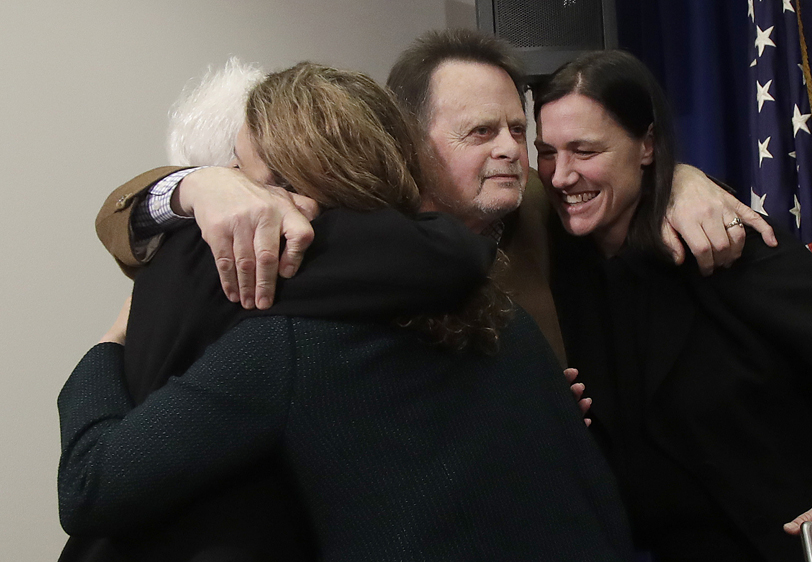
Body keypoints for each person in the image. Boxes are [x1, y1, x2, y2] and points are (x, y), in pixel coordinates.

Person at [59, 63, 633, 561]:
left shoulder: (287, 347)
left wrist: (109, 344)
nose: (232, 188)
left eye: (242, 174)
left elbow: (91, 485)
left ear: (290, 195)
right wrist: (196, 186)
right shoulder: (503, 313)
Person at [94, 29, 778, 369]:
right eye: (481, 132)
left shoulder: (538, 203)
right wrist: (194, 184)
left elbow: (618, 175)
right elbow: (119, 225)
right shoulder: (351, 219)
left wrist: (681, 182)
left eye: (517, 129)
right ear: (409, 142)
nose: (511, 150)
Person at [533, 50, 812, 562]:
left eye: (585, 151)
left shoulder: (730, 247)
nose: (561, 176)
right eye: (547, 152)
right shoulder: (556, 267)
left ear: (647, 145)